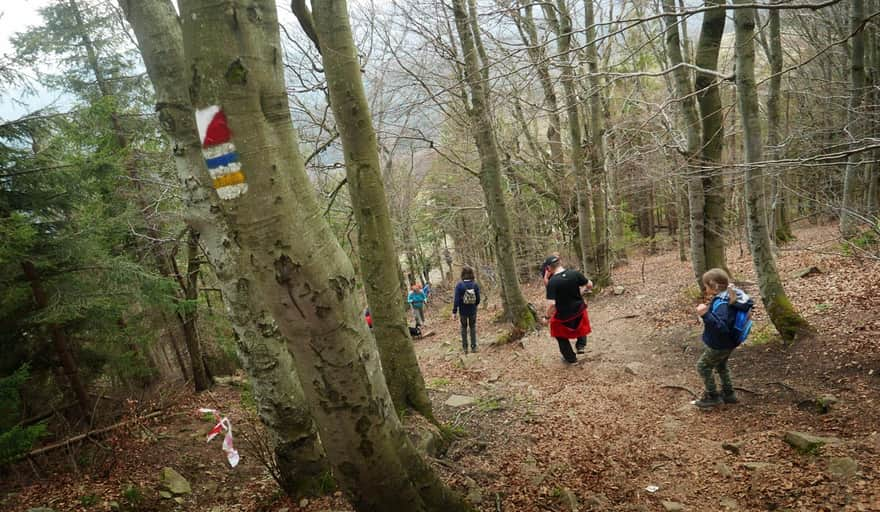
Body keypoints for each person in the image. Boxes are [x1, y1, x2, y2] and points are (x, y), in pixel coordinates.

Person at [693, 268, 753, 408]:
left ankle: (712, 396)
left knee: (703, 366)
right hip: (731, 342)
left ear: (713, 286)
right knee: (721, 365)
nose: (705, 289)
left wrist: (705, 314)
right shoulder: (731, 295)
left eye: (706, 286)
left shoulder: (722, 303)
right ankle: (729, 394)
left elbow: (721, 327)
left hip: (720, 344)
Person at [541, 255, 593, 363]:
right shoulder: (575, 273)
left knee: (557, 333)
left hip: (563, 315)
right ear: (560, 263)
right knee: (581, 325)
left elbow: (552, 305)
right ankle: (581, 346)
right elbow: (589, 284)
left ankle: (570, 358)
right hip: (579, 309)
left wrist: (546, 318)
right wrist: (581, 292)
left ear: (549, 268)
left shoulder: (553, 282)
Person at [452, 267, 481, 354]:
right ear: (472, 274)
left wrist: (454, 311)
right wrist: (475, 305)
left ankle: (465, 348)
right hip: (472, 310)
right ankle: (473, 347)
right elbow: (478, 299)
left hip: (463, 311)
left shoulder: (459, 285)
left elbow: (456, 299)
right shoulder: (475, 284)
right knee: (472, 327)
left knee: (463, 328)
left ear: (462, 274)